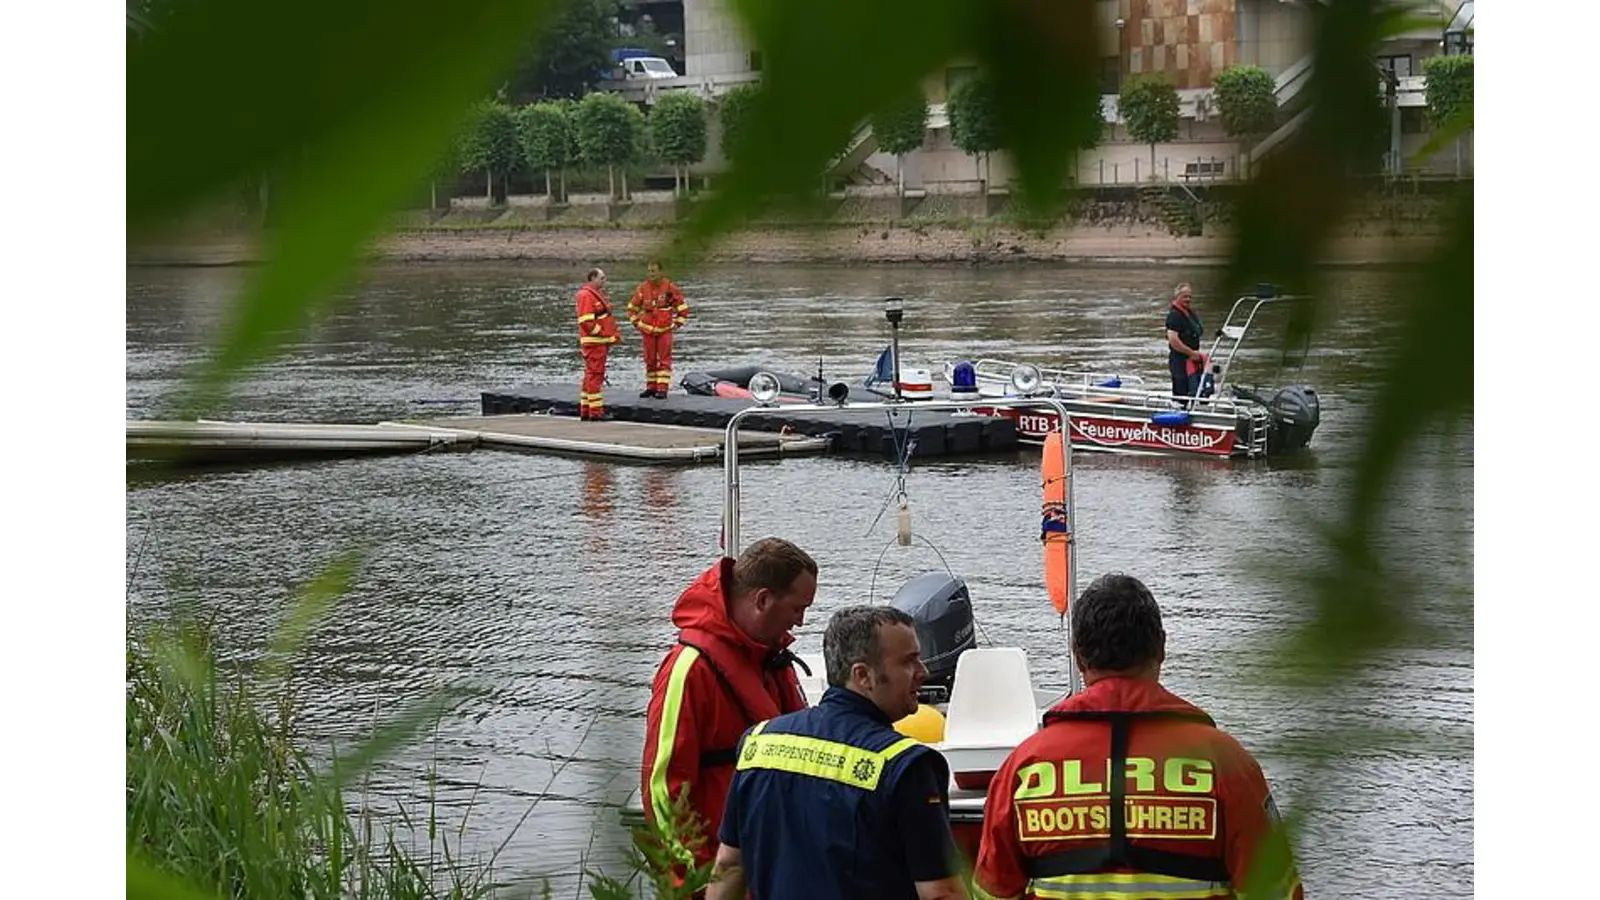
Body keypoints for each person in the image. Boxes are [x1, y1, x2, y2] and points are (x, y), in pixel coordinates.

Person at [970, 574, 1305, 900]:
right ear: (1160, 647)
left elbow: (992, 891)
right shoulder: (1226, 765)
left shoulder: (1023, 768)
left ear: (1078, 655)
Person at [707, 605, 969, 900]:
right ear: (863, 676)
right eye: (909, 662)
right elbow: (940, 892)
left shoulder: (758, 743)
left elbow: (729, 866)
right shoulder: (906, 766)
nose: (924, 672)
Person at [641, 538, 819, 875]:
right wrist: (697, 881)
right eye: (797, 608)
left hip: (773, 867)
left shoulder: (771, 659)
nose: (800, 622)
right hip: (721, 873)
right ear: (763, 599)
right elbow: (663, 790)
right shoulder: (691, 670)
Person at [627, 259, 691, 399]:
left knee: (664, 360)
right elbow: (632, 309)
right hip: (647, 330)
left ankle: (662, 389)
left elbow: (683, 309)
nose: (651, 274)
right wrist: (637, 324)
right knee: (649, 360)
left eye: (654, 271)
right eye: (649, 271)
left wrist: (676, 324)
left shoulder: (669, 288)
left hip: (664, 330)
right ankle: (651, 387)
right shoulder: (643, 288)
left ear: (661, 272)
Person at [575, 267, 621, 421]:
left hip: (597, 343)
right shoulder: (586, 296)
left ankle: (586, 410)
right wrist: (602, 332)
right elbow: (586, 322)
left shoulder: (592, 295)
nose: (604, 281)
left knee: (590, 376)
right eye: (602, 278)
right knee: (595, 376)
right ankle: (596, 412)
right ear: (593, 278)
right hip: (595, 343)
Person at [1164, 283, 1205, 400]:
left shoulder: (1190, 313)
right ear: (1177, 297)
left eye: (1190, 297)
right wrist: (1191, 353)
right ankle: (1180, 411)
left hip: (1193, 359)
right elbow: (1173, 340)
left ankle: (1193, 408)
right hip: (1179, 360)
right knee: (1181, 391)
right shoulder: (1174, 315)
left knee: (1194, 388)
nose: (1188, 299)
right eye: (1184, 296)